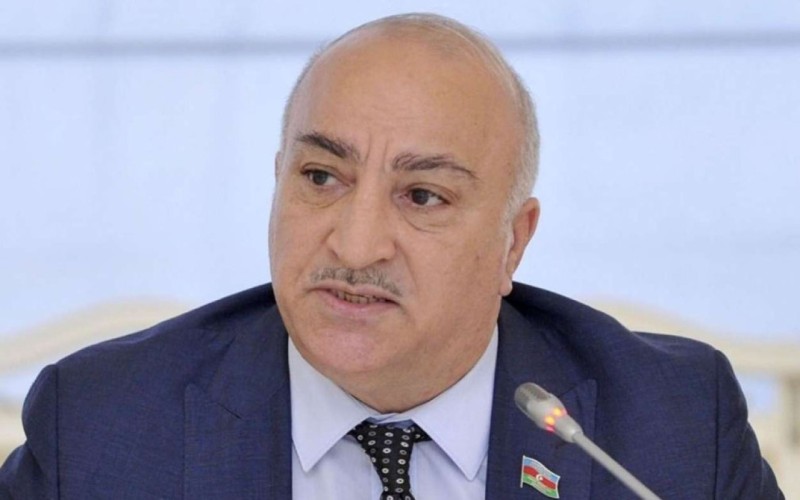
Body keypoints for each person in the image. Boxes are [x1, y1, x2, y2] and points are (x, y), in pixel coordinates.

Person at [0, 12, 783, 499]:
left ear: (512, 242)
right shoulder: (104, 426)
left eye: (423, 196)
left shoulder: (670, 427)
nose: (355, 243)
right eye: (321, 177)